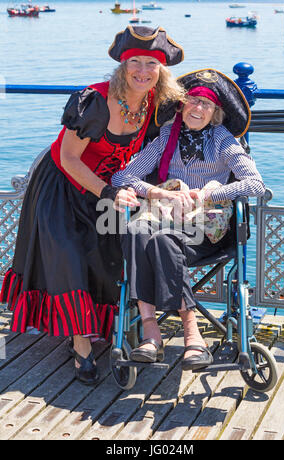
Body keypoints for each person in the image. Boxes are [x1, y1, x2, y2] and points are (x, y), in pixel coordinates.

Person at [0, 26, 185, 385]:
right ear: (122, 66)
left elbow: (194, 117)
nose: (143, 71)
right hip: (62, 187)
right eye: (135, 63)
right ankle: (81, 346)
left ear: (162, 70)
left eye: (151, 63)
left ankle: (99, 327)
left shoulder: (155, 103)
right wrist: (108, 193)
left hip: (107, 190)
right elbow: (69, 158)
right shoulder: (94, 101)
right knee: (67, 257)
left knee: (105, 258)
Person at [111, 68, 265, 371]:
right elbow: (122, 176)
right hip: (167, 220)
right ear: (181, 105)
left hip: (206, 231)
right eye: (193, 100)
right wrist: (158, 193)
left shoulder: (223, 140)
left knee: (162, 239)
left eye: (206, 104)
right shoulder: (168, 134)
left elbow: (255, 184)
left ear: (215, 112)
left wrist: (207, 195)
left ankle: (192, 333)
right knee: (136, 229)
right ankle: (151, 330)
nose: (198, 108)